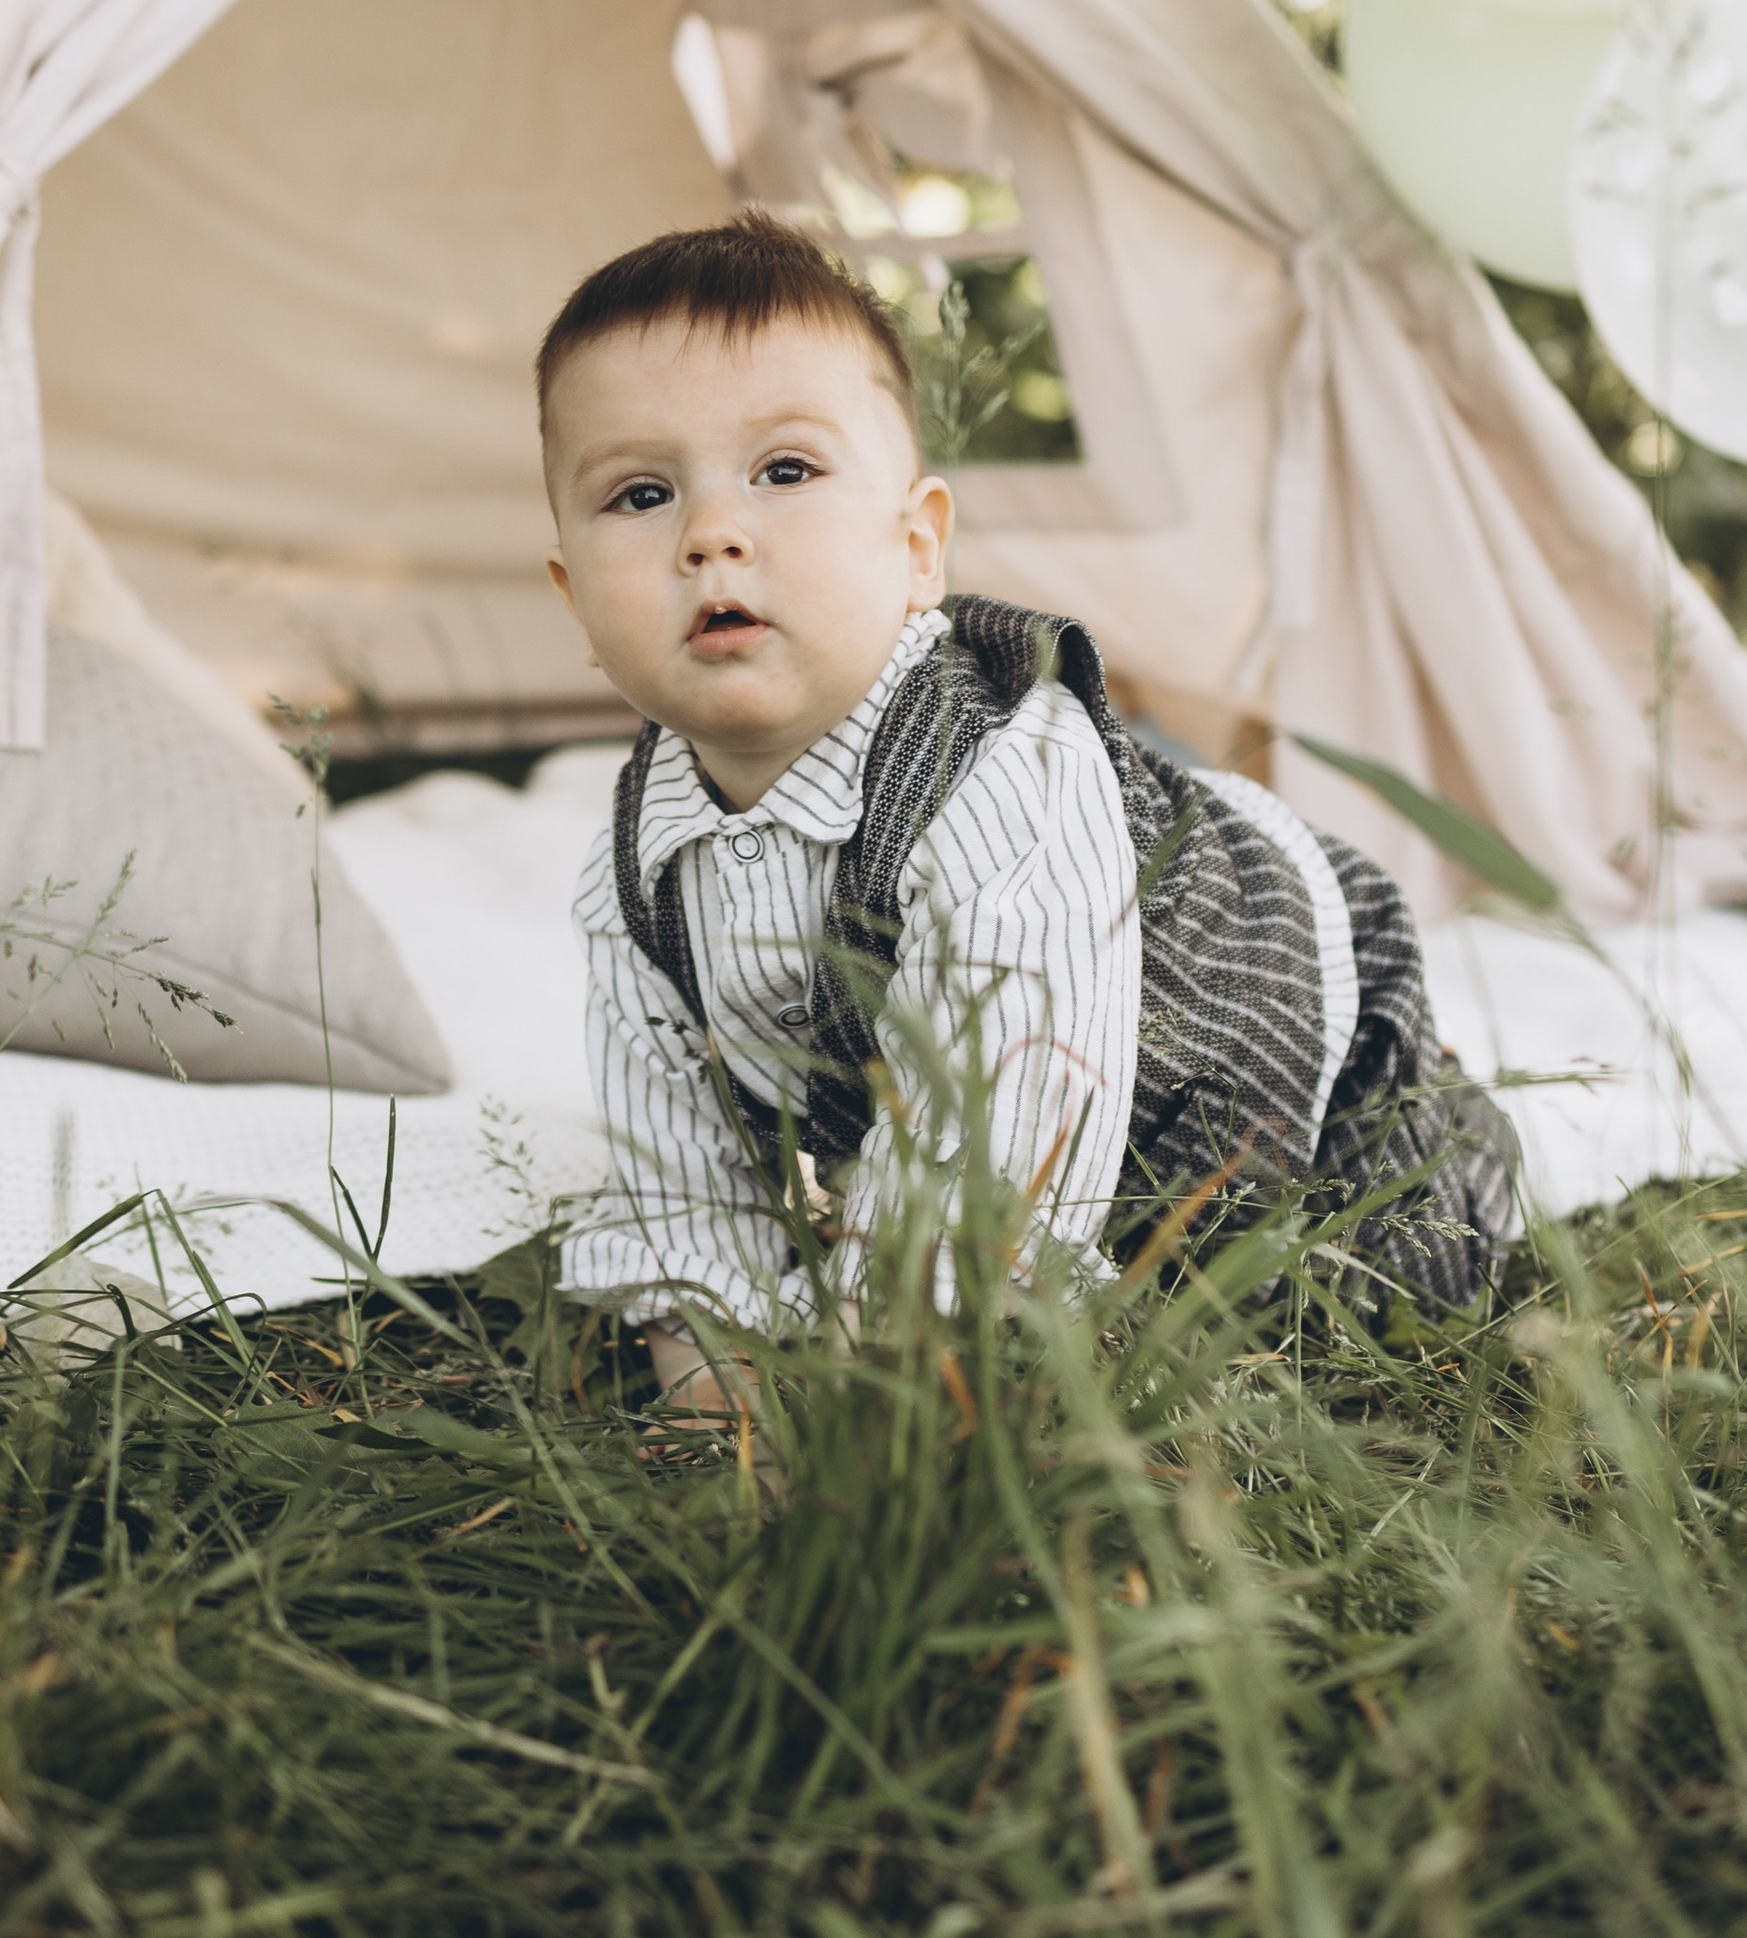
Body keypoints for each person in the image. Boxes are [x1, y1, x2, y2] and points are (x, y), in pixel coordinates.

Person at [540, 213, 1515, 1400]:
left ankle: (1477, 1163)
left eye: (784, 472)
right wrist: (717, 1404)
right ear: (574, 600)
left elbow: (999, 1137)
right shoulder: (634, 868)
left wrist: (879, 1401)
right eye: (639, 494)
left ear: (916, 550)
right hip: (1040, 1130)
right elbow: (675, 1163)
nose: (712, 534)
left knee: (1321, 1322)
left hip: (1302, 1050)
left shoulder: (1005, 770)